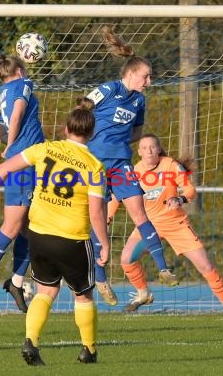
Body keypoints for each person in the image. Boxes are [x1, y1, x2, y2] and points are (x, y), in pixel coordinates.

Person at [0, 98, 109, 366]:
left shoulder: (45, 149)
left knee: (46, 292)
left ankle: (31, 340)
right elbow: (95, 213)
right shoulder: (94, 166)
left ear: (66, 129)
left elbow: (3, 168)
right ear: (92, 133)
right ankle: (89, 350)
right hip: (72, 238)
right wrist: (103, 242)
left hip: (39, 234)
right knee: (83, 295)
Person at [84, 26, 177, 306]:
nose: (148, 81)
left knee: (139, 210)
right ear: (131, 73)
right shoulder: (108, 89)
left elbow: (137, 131)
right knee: (99, 219)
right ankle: (99, 275)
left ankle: (163, 268)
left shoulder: (139, 100)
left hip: (121, 163)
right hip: (95, 164)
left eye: (149, 77)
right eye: (145, 76)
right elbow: (82, 110)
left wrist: (120, 140)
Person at [108, 133, 223, 315]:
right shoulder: (133, 172)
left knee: (205, 266)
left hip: (176, 224)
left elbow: (190, 189)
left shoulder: (170, 165)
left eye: (152, 147)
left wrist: (180, 198)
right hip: (148, 226)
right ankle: (144, 294)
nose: (149, 150)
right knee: (126, 259)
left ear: (158, 149)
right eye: (144, 147)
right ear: (138, 152)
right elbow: (116, 196)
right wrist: (107, 218)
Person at [0, 54, 45, 313]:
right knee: (13, 226)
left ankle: (15, 282)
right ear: (20, 69)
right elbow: (15, 118)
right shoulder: (23, 84)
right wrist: (12, 145)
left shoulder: (3, 89)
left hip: (30, 160)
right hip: (25, 161)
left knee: (30, 227)